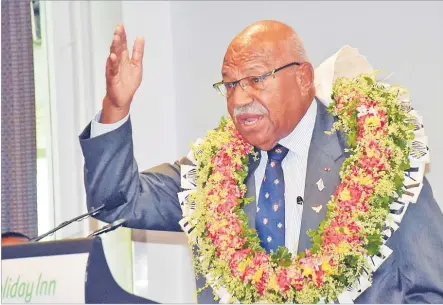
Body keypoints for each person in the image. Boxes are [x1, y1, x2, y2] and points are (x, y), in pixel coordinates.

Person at [79, 20, 443, 303]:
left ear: (303, 78)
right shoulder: (211, 174)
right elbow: (115, 202)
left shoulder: (375, 156)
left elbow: (432, 288)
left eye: (255, 79)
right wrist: (116, 107)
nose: (239, 99)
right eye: (229, 85)